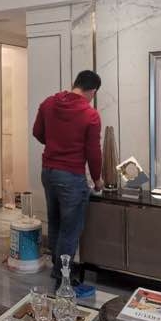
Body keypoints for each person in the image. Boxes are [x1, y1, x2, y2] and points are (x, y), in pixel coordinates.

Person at [32, 70, 104, 285]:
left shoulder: (48, 103)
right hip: (71, 177)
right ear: (93, 91)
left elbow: (37, 132)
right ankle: (63, 278)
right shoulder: (90, 114)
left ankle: (57, 268)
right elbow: (93, 152)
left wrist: (55, 143)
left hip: (48, 172)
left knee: (54, 223)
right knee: (70, 230)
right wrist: (97, 179)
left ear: (75, 83)